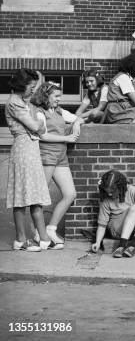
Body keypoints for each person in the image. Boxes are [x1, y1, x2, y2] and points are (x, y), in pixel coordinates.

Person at [6, 69, 59, 252]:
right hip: (23, 150)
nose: (32, 90)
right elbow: (36, 126)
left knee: (35, 193)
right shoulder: (15, 103)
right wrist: (40, 122)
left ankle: (43, 237)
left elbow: (39, 128)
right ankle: (20, 239)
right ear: (22, 86)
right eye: (31, 86)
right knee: (21, 196)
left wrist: (39, 124)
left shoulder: (22, 102)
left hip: (31, 149)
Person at [31, 82, 84, 246]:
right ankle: (36, 233)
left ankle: (50, 229)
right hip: (46, 155)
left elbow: (78, 118)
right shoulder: (39, 112)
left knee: (70, 194)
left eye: (60, 96)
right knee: (40, 196)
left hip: (61, 156)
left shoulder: (59, 110)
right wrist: (66, 138)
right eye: (56, 96)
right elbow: (43, 136)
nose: (59, 99)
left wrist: (76, 125)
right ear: (46, 96)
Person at [91, 169, 135, 258]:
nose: (109, 194)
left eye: (112, 192)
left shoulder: (133, 190)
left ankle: (133, 245)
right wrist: (97, 242)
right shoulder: (105, 199)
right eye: (107, 191)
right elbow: (102, 225)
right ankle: (121, 245)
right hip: (117, 229)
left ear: (120, 187)